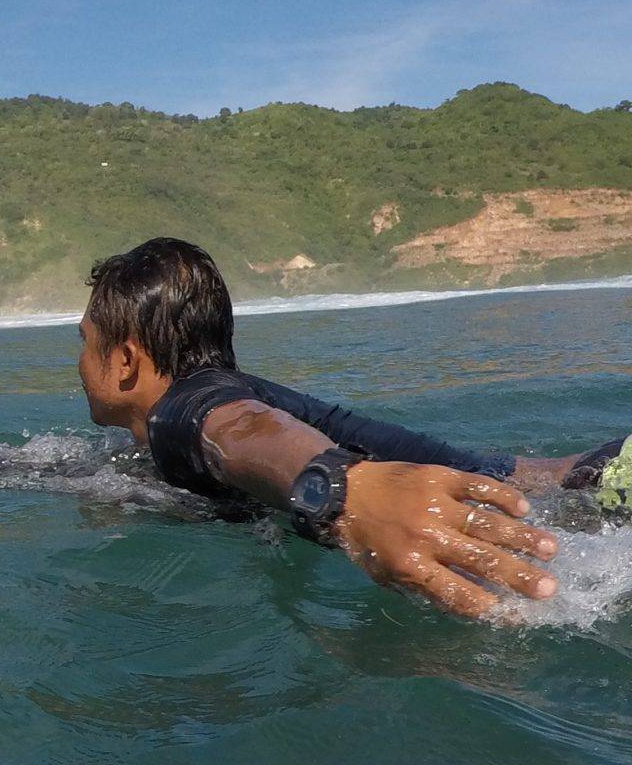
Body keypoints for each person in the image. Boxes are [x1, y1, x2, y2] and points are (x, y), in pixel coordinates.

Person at [77, 237, 632, 619]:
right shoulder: (217, 394)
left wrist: (344, 490)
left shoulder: (186, 408)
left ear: (125, 359)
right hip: (578, 478)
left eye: (83, 340)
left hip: (578, 492)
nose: (78, 361)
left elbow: (237, 430)